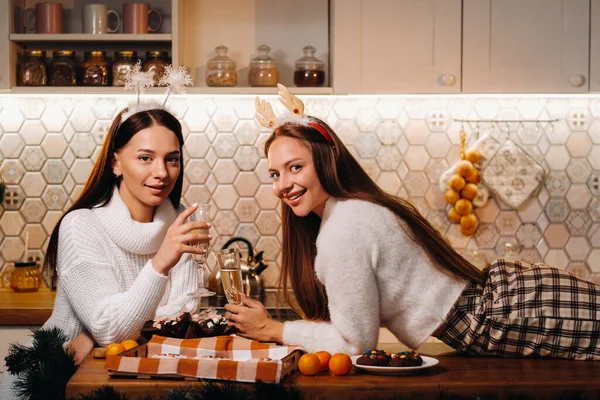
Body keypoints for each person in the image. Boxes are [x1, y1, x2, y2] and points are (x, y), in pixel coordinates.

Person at [225, 86, 599, 360]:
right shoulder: (350, 210)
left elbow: (357, 344)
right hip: (507, 301)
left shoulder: (344, 227)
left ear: (326, 161)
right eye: (274, 174)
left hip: (507, 313)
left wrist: (273, 330)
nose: (283, 184)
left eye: (295, 167)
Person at [0, 107, 211, 398]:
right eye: (145, 158)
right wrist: (161, 262)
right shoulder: (81, 226)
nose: (161, 172)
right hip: (56, 382)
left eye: (171, 159)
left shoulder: (181, 225)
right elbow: (111, 330)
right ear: (116, 164)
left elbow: (180, 323)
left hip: (140, 384)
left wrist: (100, 334)